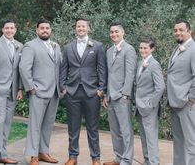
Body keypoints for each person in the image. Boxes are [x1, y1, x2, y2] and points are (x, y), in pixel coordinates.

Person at [60, 18, 107, 165]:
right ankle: (73, 156)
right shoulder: (68, 47)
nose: (80, 28)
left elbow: (102, 69)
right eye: (78, 26)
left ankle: (95, 158)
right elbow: (63, 69)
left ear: (88, 28)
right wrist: (63, 87)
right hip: (73, 92)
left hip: (92, 92)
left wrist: (101, 89)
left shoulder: (97, 46)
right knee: (73, 127)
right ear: (75, 28)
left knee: (92, 128)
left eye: (83, 26)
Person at [19, 19, 62, 165]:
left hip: (54, 92)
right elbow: (24, 68)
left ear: (51, 31)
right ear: (37, 30)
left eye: (47, 28)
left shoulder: (56, 46)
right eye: (42, 28)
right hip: (37, 91)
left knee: (48, 124)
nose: (45, 30)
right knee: (35, 125)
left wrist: (62, 87)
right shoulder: (30, 46)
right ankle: (33, 155)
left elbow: (59, 68)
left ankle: (43, 152)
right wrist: (30, 87)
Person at [0, 19, 23, 165]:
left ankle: (3, 154)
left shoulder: (19, 46)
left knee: (7, 123)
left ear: (15, 30)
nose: (9, 30)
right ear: (3, 30)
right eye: (6, 28)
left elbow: (20, 70)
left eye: (12, 28)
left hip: (13, 91)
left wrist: (20, 88)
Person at [103, 22, 137, 165]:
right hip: (110, 96)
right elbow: (108, 74)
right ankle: (118, 157)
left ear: (123, 33)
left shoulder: (129, 49)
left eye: (116, 32)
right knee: (115, 130)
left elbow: (130, 73)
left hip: (122, 96)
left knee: (126, 130)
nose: (114, 34)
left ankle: (127, 160)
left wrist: (125, 94)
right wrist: (106, 95)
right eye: (111, 32)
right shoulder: (109, 51)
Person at [167, 19, 195, 165]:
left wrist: (191, 98)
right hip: (174, 102)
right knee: (178, 142)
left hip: (187, 104)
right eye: (175, 30)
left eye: (181, 30)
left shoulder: (193, 49)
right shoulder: (176, 49)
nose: (177, 32)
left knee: (191, 143)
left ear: (189, 32)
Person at [135, 38, 165, 165]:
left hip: (149, 108)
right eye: (141, 48)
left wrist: (151, 104)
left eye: (145, 48)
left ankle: (154, 162)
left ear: (152, 49)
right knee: (144, 137)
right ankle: (147, 161)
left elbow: (161, 87)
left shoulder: (154, 64)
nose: (142, 50)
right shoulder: (140, 63)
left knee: (151, 137)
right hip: (139, 107)